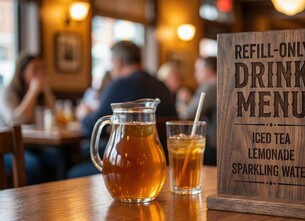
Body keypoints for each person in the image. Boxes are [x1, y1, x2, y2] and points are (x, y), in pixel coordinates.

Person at [68, 41, 177, 178]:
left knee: (73, 170)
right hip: (160, 163)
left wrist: (84, 115)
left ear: (118, 62)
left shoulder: (120, 84)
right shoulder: (161, 85)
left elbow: (93, 126)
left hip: (127, 164)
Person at [0, 52, 56, 184]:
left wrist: (45, 89)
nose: (40, 73)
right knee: (35, 166)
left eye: (43, 69)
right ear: (22, 71)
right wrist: (33, 91)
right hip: (8, 148)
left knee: (57, 160)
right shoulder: (7, 92)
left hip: (33, 145)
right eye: (35, 69)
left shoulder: (40, 92)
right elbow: (15, 121)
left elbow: (53, 113)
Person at [180, 57, 217, 165]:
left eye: (197, 70)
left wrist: (183, 100)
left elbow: (187, 115)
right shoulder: (220, 84)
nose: (195, 74)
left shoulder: (210, 86)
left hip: (213, 146)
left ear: (208, 70)